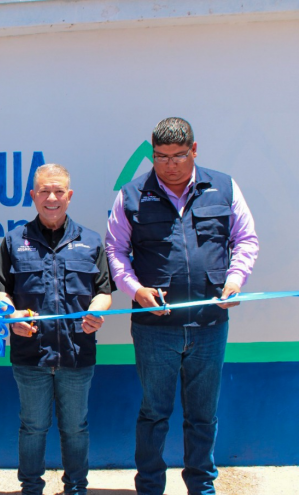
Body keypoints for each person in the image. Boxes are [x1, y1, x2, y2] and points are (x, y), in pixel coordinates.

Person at [105, 117, 259, 495]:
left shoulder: (223, 187)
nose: (169, 165)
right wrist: (135, 290)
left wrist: (235, 280)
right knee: (154, 414)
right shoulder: (131, 195)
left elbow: (245, 239)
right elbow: (115, 251)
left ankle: (201, 487)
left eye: (178, 156)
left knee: (203, 416)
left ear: (194, 150)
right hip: (154, 329)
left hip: (209, 325)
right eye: (161, 157)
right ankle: (150, 487)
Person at [0, 164, 112, 495]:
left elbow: (104, 291)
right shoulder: (14, 241)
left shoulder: (90, 241)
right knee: (32, 428)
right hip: (31, 356)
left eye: (58, 191)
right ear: (33, 195)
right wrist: (11, 314)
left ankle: (76, 488)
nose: (51, 198)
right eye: (44, 191)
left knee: (76, 428)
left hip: (77, 354)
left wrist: (97, 311)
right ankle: (31, 489)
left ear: (69, 196)